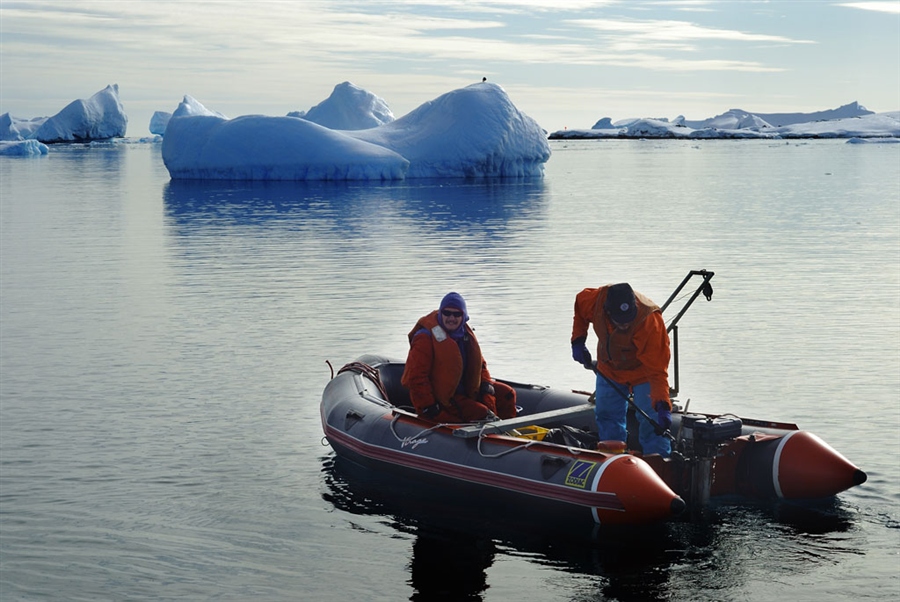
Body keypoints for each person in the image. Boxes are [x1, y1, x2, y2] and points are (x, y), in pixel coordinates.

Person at [570, 282, 673, 457]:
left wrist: (663, 404)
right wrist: (578, 340)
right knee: (607, 415)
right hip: (609, 369)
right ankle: (613, 459)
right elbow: (580, 307)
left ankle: (659, 463)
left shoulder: (649, 320)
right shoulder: (594, 301)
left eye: (629, 320)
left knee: (652, 421)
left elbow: (657, 370)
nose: (625, 325)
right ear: (608, 312)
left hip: (643, 373)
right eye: (620, 321)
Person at [402, 292, 516, 423]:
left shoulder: (465, 335)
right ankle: (499, 437)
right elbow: (416, 377)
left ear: (464, 316)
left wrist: (486, 384)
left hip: (467, 389)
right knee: (481, 413)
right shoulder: (425, 338)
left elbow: (480, 365)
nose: (451, 318)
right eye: (447, 313)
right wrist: (428, 406)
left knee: (507, 394)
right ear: (440, 313)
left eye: (457, 314)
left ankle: (509, 433)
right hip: (444, 397)